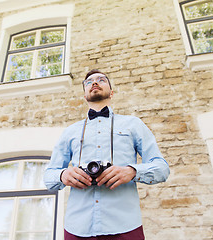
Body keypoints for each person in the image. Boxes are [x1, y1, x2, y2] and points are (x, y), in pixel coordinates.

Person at [43, 69, 170, 240]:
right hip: (77, 227)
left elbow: (162, 168)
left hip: (126, 226)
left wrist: (132, 171)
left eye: (101, 80)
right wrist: (63, 174)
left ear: (111, 92)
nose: (94, 82)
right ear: (84, 95)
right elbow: (49, 176)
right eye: (89, 82)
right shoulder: (69, 132)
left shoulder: (133, 124)